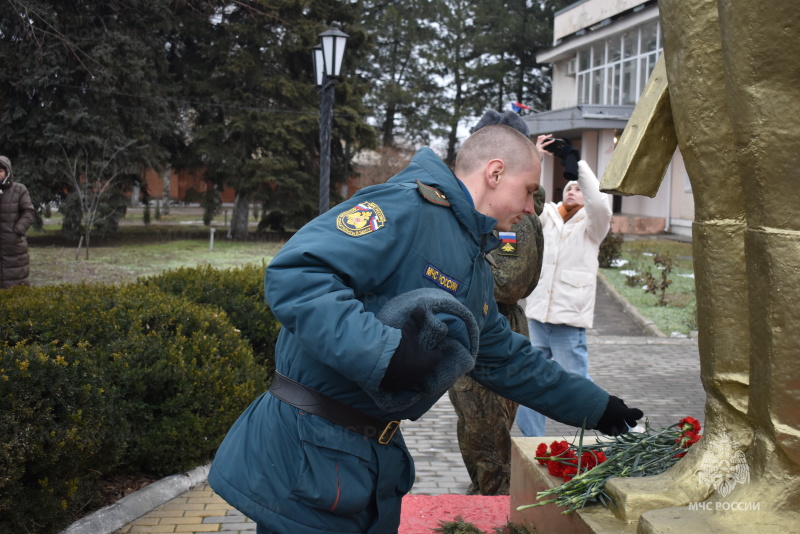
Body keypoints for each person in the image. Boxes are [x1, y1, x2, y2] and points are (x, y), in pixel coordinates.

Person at [208, 125, 642, 534]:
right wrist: (383, 353)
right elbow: (298, 274)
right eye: (529, 190)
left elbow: (505, 358)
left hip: (363, 462)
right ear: (495, 173)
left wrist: (599, 408)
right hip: (308, 455)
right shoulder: (404, 209)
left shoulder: (473, 260)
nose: (532, 207)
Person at [448, 110, 545, 496]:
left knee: (489, 445)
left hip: (495, 331)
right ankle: (488, 499)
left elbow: (510, 283)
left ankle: (494, 507)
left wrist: (455, 265)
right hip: (473, 329)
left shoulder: (514, 217)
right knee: (477, 435)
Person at [515, 136, 613, 438]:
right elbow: (531, 197)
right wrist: (535, 158)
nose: (572, 190)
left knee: (577, 385)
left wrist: (577, 166)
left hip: (568, 321)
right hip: (537, 316)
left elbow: (599, 203)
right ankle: (533, 443)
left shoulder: (592, 226)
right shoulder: (549, 218)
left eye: (578, 189)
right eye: (569, 187)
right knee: (529, 383)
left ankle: (606, 430)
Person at [0, 156, 35, 289]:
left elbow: (28, 212)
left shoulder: (19, 189)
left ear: (7, 172)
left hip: (13, 246)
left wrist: (17, 231)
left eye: (0, 171)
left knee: (15, 283)